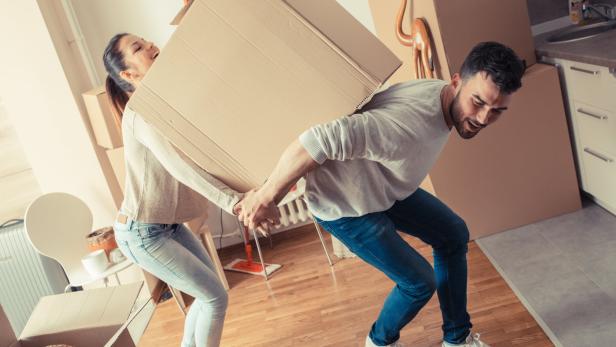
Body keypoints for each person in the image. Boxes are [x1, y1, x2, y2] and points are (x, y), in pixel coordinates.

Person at [235, 41, 526, 347]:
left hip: (380, 188)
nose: (482, 118)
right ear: (456, 82)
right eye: (478, 102)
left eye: (497, 111)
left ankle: (457, 339)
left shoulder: (442, 95)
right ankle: (379, 342)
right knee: (418, 282)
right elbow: (320, 138)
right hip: (347, 207)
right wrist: (266, 196)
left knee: (453, 234)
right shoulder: (405, 127)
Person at [103, 32, 257, 347]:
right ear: (128, 74)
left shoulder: (160, 103)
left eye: (146, 41)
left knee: (206, 296)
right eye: (138, 48)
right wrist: (236, 203)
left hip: (164, 228)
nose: (150, 46)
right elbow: (181, 167)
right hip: (142, 232)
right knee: (214, 297)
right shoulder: (143, 111)